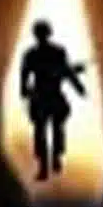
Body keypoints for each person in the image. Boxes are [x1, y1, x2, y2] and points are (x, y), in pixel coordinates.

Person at [21, 19, 87, 181]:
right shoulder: (51, 52)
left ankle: (51, 161)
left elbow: (65, 71)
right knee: (47, 130)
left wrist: (78, 85)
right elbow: (66, 72)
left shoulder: (33, 54)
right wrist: (78, 86)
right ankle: (48, 163)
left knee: (49, 130)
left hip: (45, 95)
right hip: (47, 95)